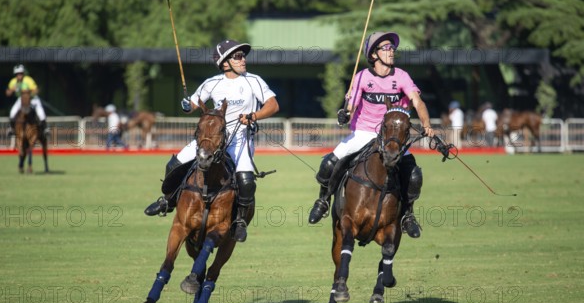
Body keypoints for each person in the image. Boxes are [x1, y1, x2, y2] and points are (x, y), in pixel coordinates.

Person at [144, 39, 280, 243]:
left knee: (246, 181)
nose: (243, 59)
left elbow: (273, 105)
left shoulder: (254, 81)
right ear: (224, 63)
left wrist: (253, 115)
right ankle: (168, 200)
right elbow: (191, 104)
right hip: (212, 137)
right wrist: (185, 104)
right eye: (238, 56)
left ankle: (240, 222)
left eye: (243, 56)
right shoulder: (212, 83)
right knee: (174, 164)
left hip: (240, 137)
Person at [307, 31, 435, 238]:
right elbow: (352, 106)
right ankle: (323, 200)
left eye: (392, 48)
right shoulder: (362, 77)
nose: (391, 51)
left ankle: (408, 215)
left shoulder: (401, 76)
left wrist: (426, 123)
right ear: (374, 54)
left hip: (392, 137)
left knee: (413, 175)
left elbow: (417, 101)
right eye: (386, 48)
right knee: (328, 165)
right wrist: (345, 114)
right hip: (364, 132)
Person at [6, 64, 49, 137]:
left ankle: (45, 129)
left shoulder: (28, 79)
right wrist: (12, 89)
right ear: (15, 74)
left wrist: (29, 94)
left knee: (41, 112)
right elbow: (7, 93)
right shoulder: (13, 82)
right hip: (21, 99)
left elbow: (36, 90)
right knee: (12, 112)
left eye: (20, 73)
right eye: (17, 74)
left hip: (33, 99)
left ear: (23, 73)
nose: (19, 75)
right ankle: (12, 129)